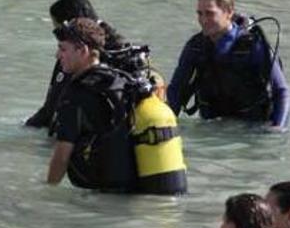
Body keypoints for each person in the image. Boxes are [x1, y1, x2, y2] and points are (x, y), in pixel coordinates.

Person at [46, 18, 187, 194]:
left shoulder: (77, 94)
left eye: (62, 49)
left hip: (107, 197)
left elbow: (62, 156)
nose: (58, 56)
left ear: (83, 50)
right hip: (140, 188)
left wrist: (46, 194)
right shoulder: (121, 81)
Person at [166, 0, 290, 130]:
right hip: (211, 127)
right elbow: (175, 91)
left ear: (229, 12)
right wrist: (165, 124)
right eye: (200, 13)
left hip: (252, 128)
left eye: (210, 13)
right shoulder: (195, 47)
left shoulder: (254, 45)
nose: (203, 20)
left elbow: (282, 91)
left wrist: (278, 128)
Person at [25, 0, 126, 134]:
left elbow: (51, 108)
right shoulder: (119, 54)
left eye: (57, 29)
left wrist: (26, 130)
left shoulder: (76, 57)